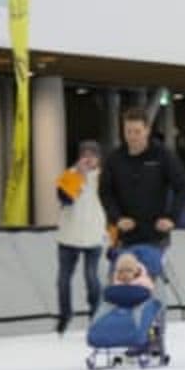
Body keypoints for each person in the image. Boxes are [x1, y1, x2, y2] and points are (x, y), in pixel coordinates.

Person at [99, 106, 185, 251]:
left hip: (155, 234)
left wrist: (172, 218)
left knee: (145, 272)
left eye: (137, 131)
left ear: (147, 130)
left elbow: (183, 187)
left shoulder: (162, 155)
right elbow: (105, 192)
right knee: (123, 272)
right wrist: (117, 218)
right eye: (128, 131)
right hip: (125, 235)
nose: (132, 136)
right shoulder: (114, 158)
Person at [55, 140, 107, 334]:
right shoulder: (68, 175)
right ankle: (65, 314)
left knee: (92, 277)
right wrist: (78, 176)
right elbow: (65, 199)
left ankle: (95, 312)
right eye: (85, 155)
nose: (88, 159)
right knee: (63, 279)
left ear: (98, 159)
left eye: (92, 156)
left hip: (93, 236)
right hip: (68, 236)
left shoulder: (103, 178)